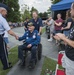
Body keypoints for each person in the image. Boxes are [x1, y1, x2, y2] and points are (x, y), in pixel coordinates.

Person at [56, 3, 74, 75]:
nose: (70, 11)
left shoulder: (69, 19)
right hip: (67, 54)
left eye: (72, 9)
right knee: (64, 70)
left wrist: (63, 38)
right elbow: (71, 38)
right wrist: (63, 38)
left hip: (72, 60)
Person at [0, 3, 18, 70]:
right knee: (3, 52)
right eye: (6, 12)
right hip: (0, 37)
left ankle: (5, 63)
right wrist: (15, 35)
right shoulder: (2, 19)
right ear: (2, 11)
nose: (6, 13)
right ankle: (6, 66)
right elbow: (9, 31)